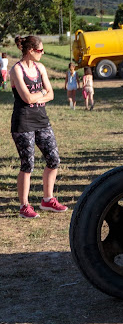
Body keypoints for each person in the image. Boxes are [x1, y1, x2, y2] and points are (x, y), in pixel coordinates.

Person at [9, 35, 68, 218]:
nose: (43, 53)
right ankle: (24, 206)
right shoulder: (16, 70)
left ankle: (47, 200)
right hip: (23, 121)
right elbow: (26, 98)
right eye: (40, 50)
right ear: (30, 51)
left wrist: (38, 95)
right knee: (28, 164)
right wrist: (41, 92)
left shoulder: (40, 67)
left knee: (54, 159)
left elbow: (51, 94)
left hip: (42, 120)